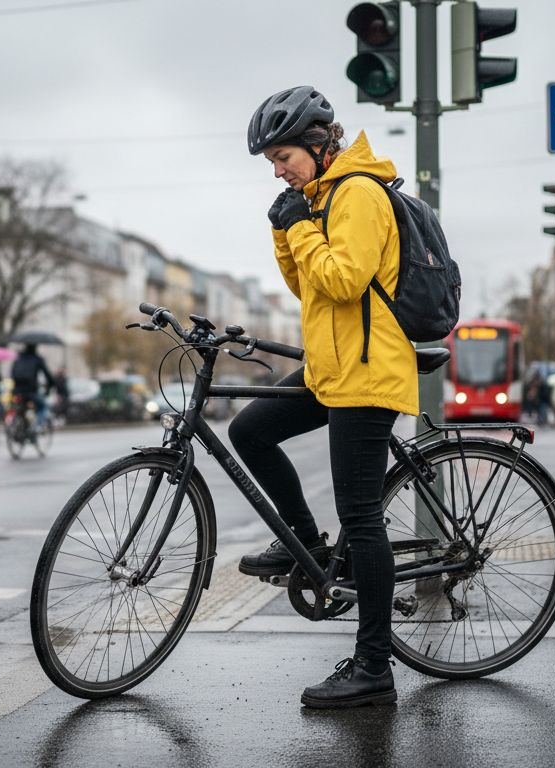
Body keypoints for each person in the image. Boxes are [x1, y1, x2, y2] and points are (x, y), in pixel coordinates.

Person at [228, 85, 417, 709]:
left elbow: (342, 279)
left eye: (283, 156)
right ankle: (304, 542)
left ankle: (374, 668)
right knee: (249, 431)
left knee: (361, 517)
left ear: (317, 143)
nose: (278, 170)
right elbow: (306, 284)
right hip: (330, 368)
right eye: (272, 163)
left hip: (366, 371)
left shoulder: (359, 192)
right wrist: (288, 232)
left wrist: (302, 227)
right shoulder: (322, 198)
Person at [9, 343, 54, 428]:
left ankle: (18, 424)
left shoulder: (18, 358)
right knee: (42, 407)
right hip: (31, 391)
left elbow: (12, 373)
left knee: (18, 408)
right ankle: (36, 427)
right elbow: (47, 375)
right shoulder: (37, 359)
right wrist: (51, 385)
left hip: (17, 391)